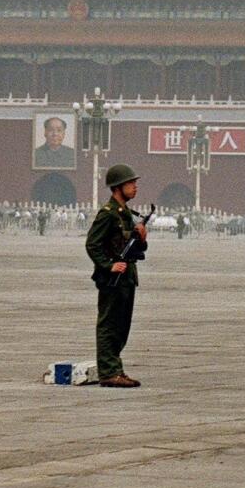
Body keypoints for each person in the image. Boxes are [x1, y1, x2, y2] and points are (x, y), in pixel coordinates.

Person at [85, 163, 148, 387]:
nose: (135, 187)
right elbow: (92, 244)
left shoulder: (126, 215)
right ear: (117, 187)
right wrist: (108, 266)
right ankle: (108, 372)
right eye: (131, 183)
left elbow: (134, 249)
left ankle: (116, 369)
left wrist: (140, 236)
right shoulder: (108, 214)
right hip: (112, 278)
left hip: (127, 277)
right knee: (109, 325)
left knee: (122, 326)